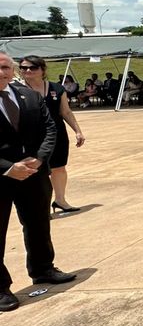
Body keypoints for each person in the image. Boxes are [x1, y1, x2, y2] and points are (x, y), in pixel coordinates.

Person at [1, 51, 78, 312]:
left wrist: (39, 159)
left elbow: (49, 128)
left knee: (38, 223)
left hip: (33, 171)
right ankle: (1, 288)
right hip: (2, 174)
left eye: (6, 67)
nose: (3, 73)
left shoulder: (29, 96)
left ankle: (43, 269)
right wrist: (8, 167)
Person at [18, 56, 86, 213]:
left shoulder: (57, 88)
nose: (27, 71)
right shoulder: (16, 89)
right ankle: (41, 207)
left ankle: (60, 200)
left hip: (57, 133)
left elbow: (66, 112)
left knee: (59, 168)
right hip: (31, 136)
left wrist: (78, 131)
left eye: (32, 67)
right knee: (36, 171)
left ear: (43, 70)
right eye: (23, 68)